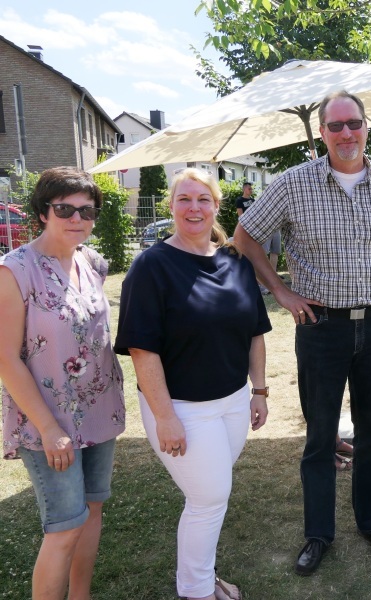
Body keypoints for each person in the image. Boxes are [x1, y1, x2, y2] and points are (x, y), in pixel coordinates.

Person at [233, 90, 371, 575]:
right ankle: (318, 533)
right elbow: (244, 236)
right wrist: (280, 290)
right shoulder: (293, 183)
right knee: (320, 437)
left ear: (366, 127)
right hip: (320, 328)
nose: (347, 133)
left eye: (354, 123)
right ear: (322, 132)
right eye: (336, 125)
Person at [115, 168, 271, 600]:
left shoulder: (236, 261)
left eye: (203, 199)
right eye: (184, 199)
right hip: (181, 408)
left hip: (233, 402)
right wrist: (165, 417)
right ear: (171, 206)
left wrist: (259, 391)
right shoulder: (151, 266)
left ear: (217, 206)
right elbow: (142, 351)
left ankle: (200, 576)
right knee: (210, 497)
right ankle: (197, 590)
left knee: (208, 497)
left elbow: (256, 332)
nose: (194, 208)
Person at [0, 167, 125, 600]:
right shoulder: (14, 270)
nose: (76, 218)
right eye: (64, 209)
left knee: (92, 512)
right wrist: (49, 428)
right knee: (64, 527)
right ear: (43, 212)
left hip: (98, 410)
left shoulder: (92, 262)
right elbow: (6, 358)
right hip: (46, 422)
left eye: (86, 211)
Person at [236, 181, 282, 284]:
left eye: (251, 189)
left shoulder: (253, 200)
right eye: (249, 188)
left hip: (257, 228)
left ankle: (272, 276)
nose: (251, 190)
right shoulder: (240, 200)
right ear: (244, 189)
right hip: (248, 229)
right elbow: (241, 217)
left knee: (272, 250)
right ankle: (256, 277)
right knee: (255, 252)